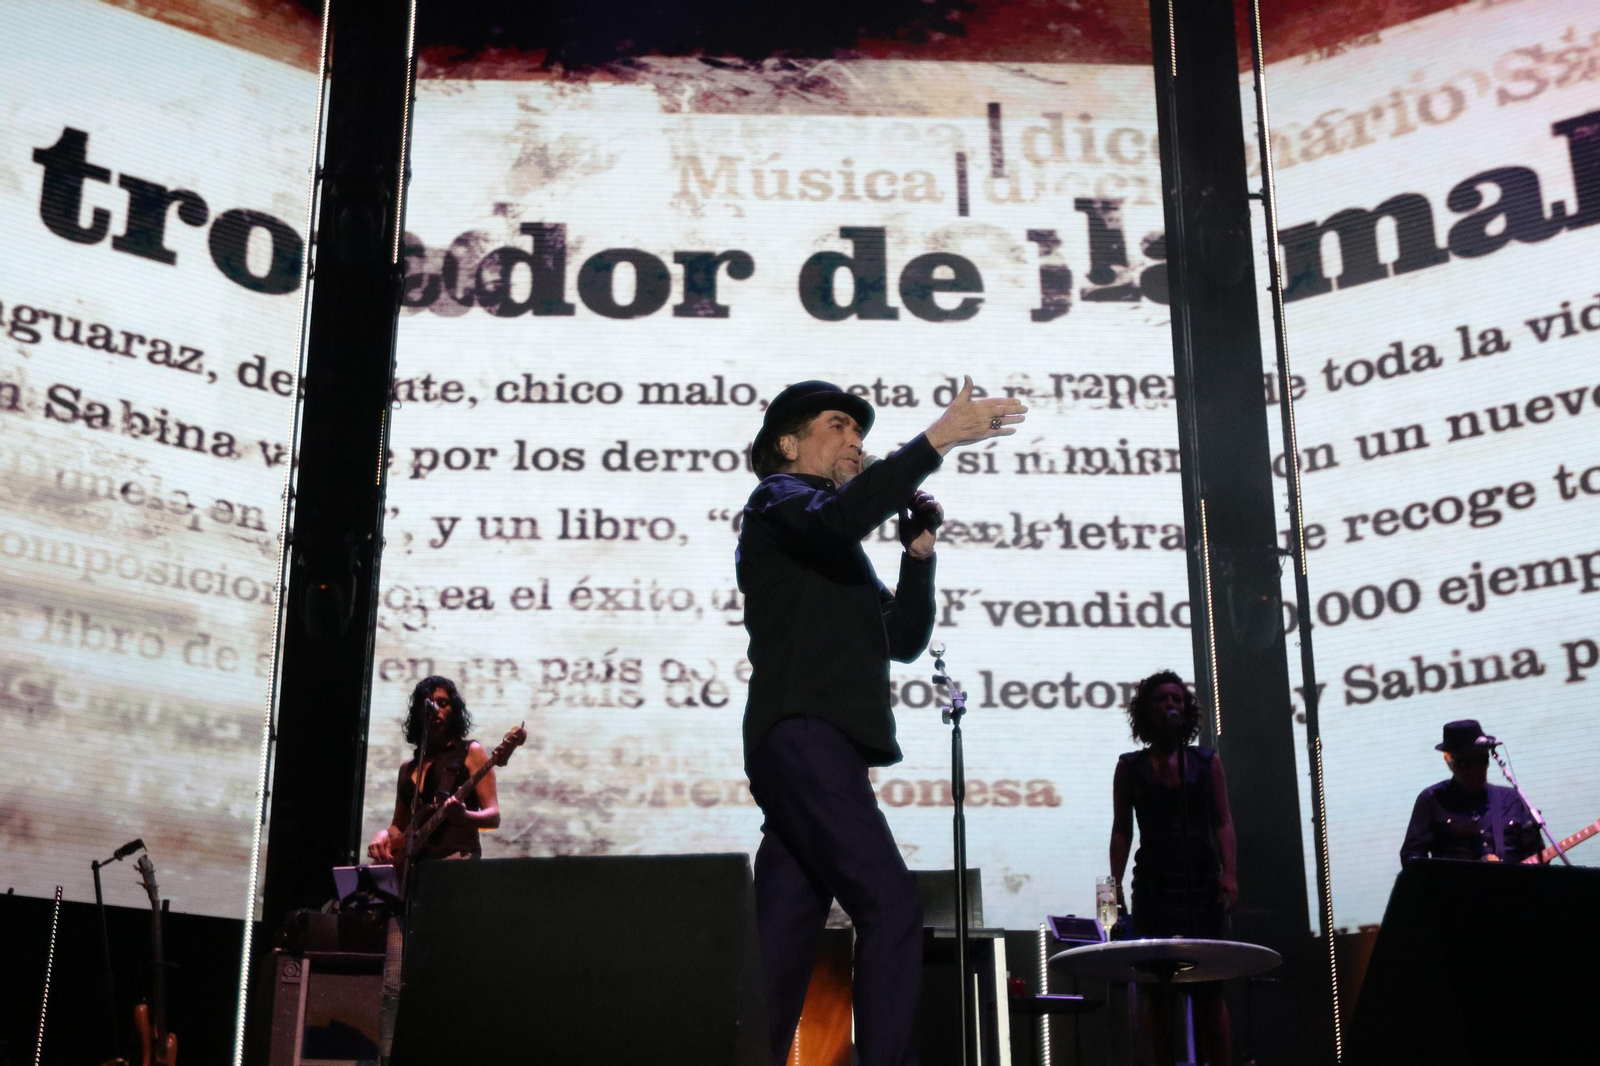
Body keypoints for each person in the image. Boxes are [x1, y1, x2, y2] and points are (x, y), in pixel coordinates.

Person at [739, 376, 1026, 1066]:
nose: (855, 441)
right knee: (891, 906)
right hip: (806, 735)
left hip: (809, 745)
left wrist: (917, 555)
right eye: (838, 426)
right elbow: (839, 519)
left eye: (858, 431)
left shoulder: (832, 543)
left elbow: (899, 636)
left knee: (779, 945)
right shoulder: (781, 500)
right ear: (789, 442)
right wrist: (937, 439)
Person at [1109, 670, 1237, 1066]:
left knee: (1209, 991)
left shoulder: (1206, 761)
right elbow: (1121, 831)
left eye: (1178, 700)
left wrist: (1230, 873)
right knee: (1158, 992)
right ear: (1147, 711)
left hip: (1201, 885)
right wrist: (1115, 888)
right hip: (1154, 887)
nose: (1171, 706)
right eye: (1163, 700)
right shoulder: (1130, 767)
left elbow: (1223, 821)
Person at [368, 676, 502, 865]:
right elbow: (398, 826)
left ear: (453, 710)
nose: (435, 709)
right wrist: (383, 835)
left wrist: (464, 816)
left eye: (443, 703)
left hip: (455, 860)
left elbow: (493, 817)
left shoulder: (470, 752)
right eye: (428, 704)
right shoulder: (408, 768)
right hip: (414, 866)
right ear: (419, 714)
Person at [1400, 719, 1540, 865]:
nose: (1475, 769)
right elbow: (1411, 859)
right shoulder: (1432, 800)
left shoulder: (1511, 799)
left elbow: (1536, 855)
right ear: (1448, 760)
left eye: (1480, 760)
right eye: (1464, 762)